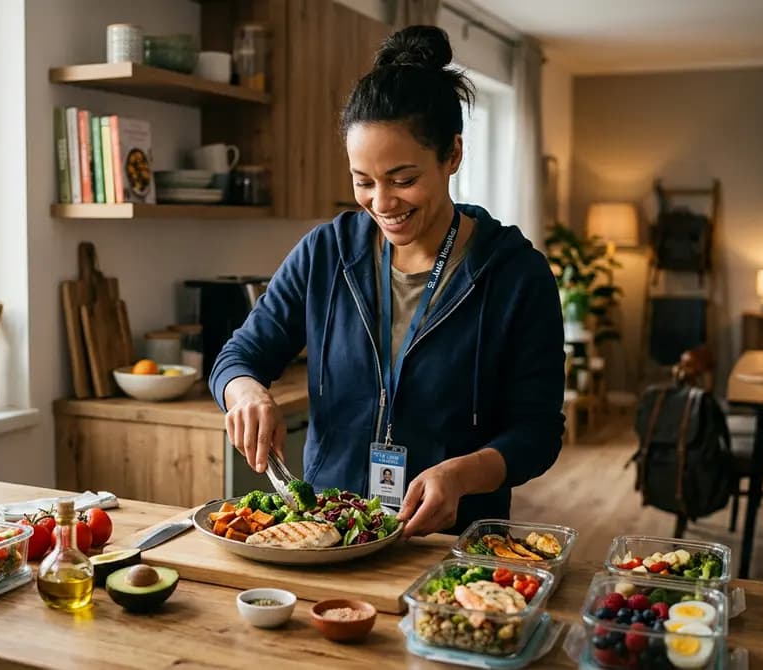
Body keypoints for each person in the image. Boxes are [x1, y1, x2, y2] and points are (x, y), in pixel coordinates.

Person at [209, 25, 564, 536]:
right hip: (329, 535)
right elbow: (239, 356)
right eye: (363, 181)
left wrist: (461, 475)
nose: (381, 202)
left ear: (453, 155)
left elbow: (537, 432)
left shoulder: (516, 275)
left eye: (403, 180)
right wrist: (245, 393)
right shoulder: (326, 253)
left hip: (448, 542)